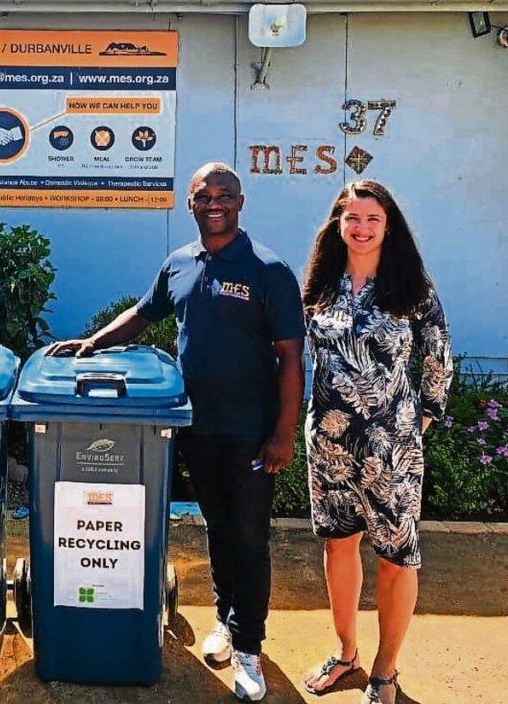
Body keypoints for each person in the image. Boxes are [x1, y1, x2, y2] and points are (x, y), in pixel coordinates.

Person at [48, 162, 305, 701]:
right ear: (189, 204)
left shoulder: (268, 270)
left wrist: (284, 432)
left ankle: (249, 647)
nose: (214, 203)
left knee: (251, 538)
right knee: (217, 527)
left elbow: (290, 358)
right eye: (203, 196)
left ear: (240, 202)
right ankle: (225, 620)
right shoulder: (180, 264)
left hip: (250, 432)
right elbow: (143, 314)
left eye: (224, 195)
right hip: (195, 426)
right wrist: (92, 344)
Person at [300, 181, 452, 704]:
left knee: (396, 555)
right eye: (351, 218)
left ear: (389, 226)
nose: (361, 228)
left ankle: (386, 671)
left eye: (372, 219)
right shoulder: (321, 282)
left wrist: (420, 422)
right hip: (329, 445)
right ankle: (348, 653)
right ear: (337, 224)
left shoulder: (411, 286)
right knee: (338, 544)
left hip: (393, 449)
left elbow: (437, 357)